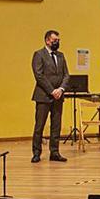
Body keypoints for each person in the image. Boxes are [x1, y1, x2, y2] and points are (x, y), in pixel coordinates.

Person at [30, 29, 69, 163]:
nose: (57, 42)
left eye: (58, 40)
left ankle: (55, 152)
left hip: (59, 96)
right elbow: (39, 75)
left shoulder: (61, 56)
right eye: (54, 40)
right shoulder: (39, 54)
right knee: (39, 126)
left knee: (56, 125)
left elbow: (66, 75)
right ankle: (36, 152)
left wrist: (61, 89)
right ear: (47, 40)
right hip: (43, 96)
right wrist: (52, 91)